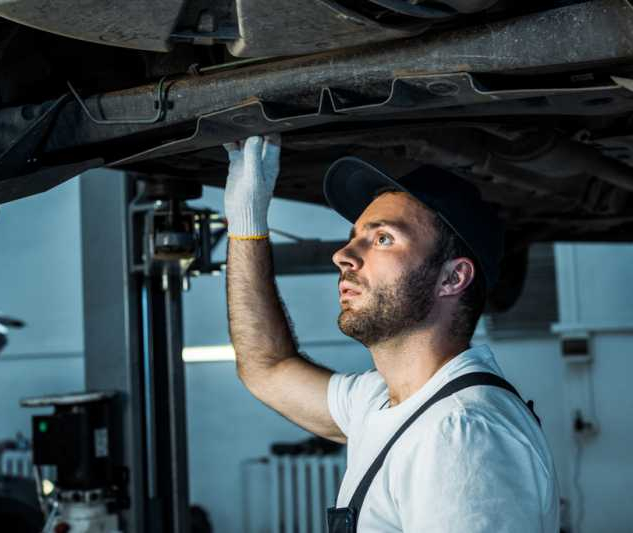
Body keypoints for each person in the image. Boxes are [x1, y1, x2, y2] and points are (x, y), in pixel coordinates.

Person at [223, 134, 559, 532]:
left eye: (383, 239)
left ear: (453, 277)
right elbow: (267, 366)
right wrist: (246, 227)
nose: (343, 255)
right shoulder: (385, 402)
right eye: (355, 237)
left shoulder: (458, 434)